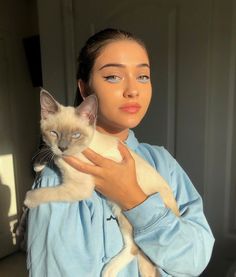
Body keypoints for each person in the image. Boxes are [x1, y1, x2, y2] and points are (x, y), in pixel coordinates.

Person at [27, 28, 214, 277]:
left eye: (143, 76)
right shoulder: (57, 177)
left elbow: (194, 261)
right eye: (113, 76)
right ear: (84, 89)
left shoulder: (163, 161)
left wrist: (135, 200)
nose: (133, 90)